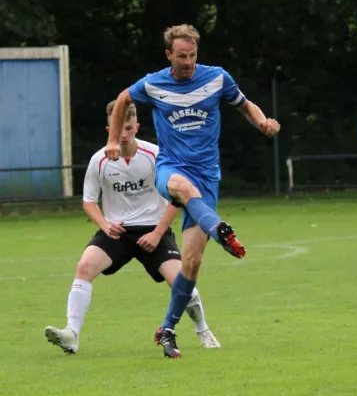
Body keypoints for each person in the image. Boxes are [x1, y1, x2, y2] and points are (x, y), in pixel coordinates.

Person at [105, 24, 280, 358]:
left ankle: (167, 329)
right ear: (169, 55)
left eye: (192, 55)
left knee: (192, 262)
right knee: (184, 188)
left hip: (207, 178)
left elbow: (244, 104)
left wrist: (261, 123)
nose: (187, 62)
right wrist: (114, 139)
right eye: (181, 56)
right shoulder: (154, 82)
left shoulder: (217, 78)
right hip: (171, 169)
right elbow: (124, 98)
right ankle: (219, 230)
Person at [45, 100, 220, 355]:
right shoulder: (99, 161)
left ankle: (203, 331)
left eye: (128, 128)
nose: (123, 135)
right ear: (109, 129)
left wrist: (158, 232)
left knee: (183, 283)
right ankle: (71, 334)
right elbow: (89, 202)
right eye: (118, 130)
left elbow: (178, 197)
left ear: (136, 126)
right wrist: (105, 224)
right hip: (116, 232)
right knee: (84, 267)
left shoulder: (156, 155)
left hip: (154, 229)